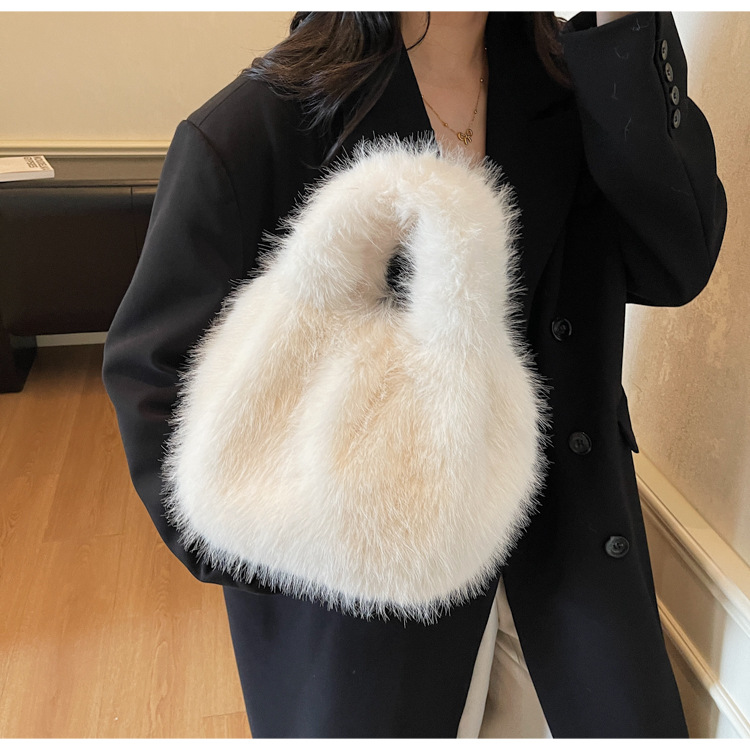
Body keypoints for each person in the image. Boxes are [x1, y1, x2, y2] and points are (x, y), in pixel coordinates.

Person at [102, 11, 728, 738]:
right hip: (369, 622)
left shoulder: (577, 80)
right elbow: (153, 378)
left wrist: (621, 26)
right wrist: (319, 544)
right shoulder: (259, 124)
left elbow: (674, 260)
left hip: (567, 564)